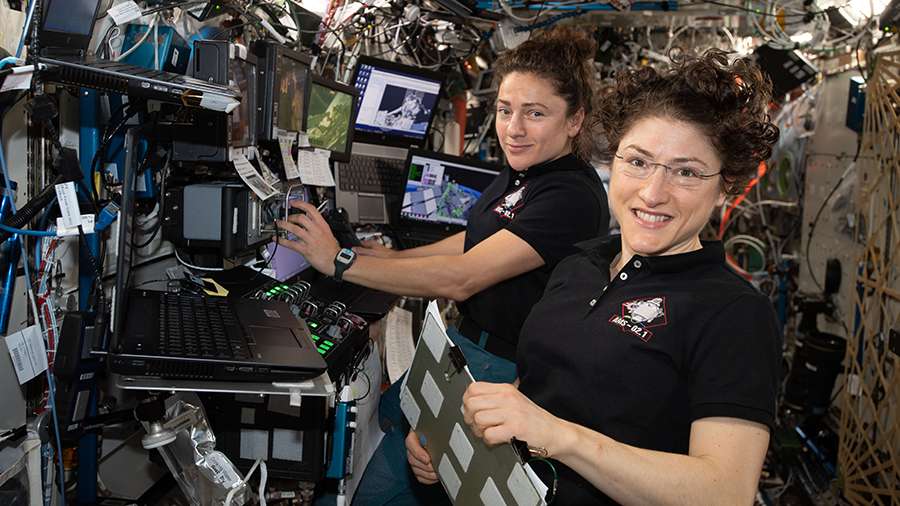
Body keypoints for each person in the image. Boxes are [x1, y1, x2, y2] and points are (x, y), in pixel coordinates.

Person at [406, 48, 783, 506]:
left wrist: (564, 438)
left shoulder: (733, 313)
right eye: (638, 162)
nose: (652, 192)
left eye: (686, 172)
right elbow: (541, 386)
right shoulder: (579, 266)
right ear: (613, 161)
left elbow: (724, 492)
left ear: (725, 187)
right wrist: (459, 432)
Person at [276, 26, 610, 505]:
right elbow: (475, 240)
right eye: (505, 110)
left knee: (375, 492)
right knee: (381, 421)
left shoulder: (570, 195)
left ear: (574, 120)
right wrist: (396, 259)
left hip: (497, 369)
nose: (514, 128)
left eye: (536, 114)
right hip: (463, 348)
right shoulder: (525, 172)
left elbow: (463, 277)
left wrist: (340, 261)